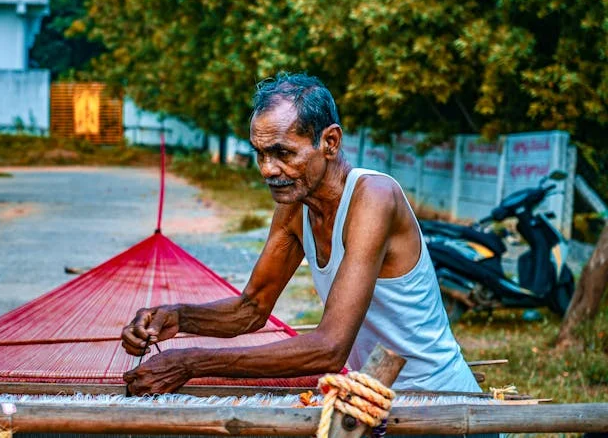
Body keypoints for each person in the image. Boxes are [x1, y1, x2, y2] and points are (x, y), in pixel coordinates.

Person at [121, 72, 479, 398]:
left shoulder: (374, 197)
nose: (268, 170)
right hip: (375, 402)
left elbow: (330, 348)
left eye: (282, 153)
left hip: (440, 404)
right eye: (260, 154)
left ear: (330, 142)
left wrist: (191, 363)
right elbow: (251, 309)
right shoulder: (296, 206)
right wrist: (177, 317)